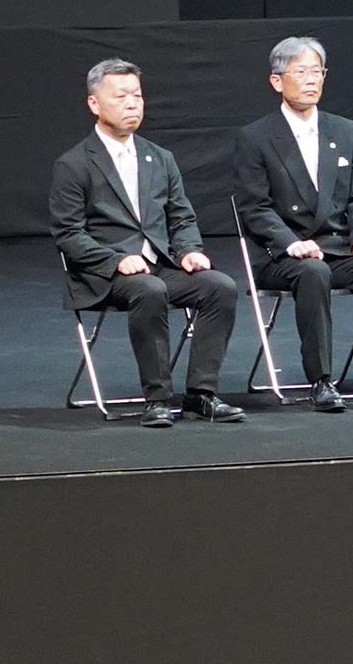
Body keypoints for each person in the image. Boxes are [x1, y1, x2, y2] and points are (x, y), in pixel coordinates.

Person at [47, 59, 243, 426]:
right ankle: (157, 398)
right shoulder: (74, 164)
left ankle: (201, 394)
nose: (132, 104)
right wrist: (115, 260)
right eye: (120, 96)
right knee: (149, 290)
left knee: (220, 286)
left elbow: (181, 217)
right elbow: (68, 233)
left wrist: (189, 251)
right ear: (94, 103)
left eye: (136, 96)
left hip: (158, 267)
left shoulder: (160, 158)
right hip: (104, 274)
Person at [235, 35, 353, 411]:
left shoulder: (346, 131)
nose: (311, 80)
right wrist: (290, 242)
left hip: (336, 245)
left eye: (317, 71)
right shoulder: (256, 137)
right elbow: (255, 207)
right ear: (277, 81)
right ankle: (321, 380)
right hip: (282, 254)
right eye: (301, 72)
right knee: (313, 272)